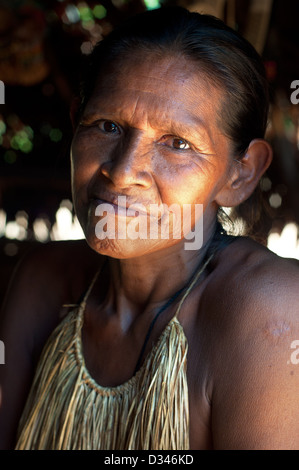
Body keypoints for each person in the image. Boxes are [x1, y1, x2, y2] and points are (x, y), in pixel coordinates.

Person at [0, 6, 299, 450]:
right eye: (107, 125)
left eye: (178, 143)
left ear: (241, 173)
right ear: (74, 123)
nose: (122, 172)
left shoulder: (270, 310)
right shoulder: (42, 282)